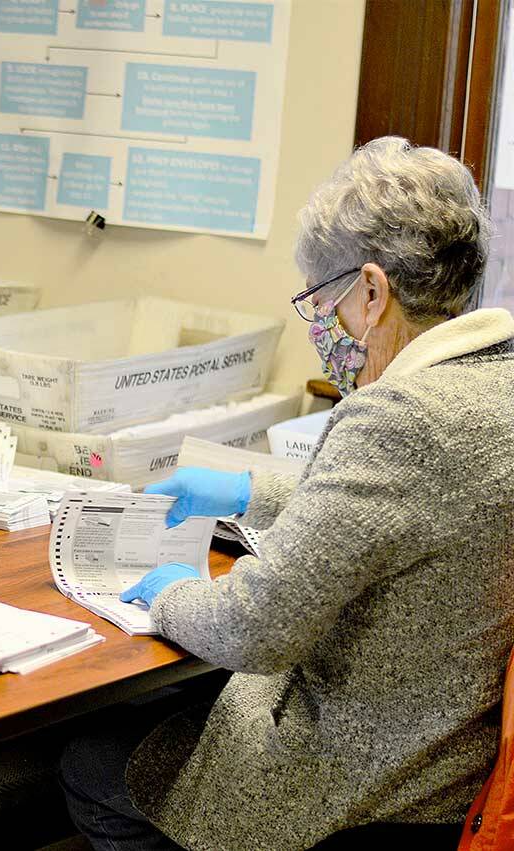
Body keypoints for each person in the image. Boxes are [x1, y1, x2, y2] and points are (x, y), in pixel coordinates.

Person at [60, 136, 514, 850]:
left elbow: (254, 630)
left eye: (323, 299)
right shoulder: (495, 386)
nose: (323, 325)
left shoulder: (399, 417)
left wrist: (172, 593)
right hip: (453, 764)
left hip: (362, 782)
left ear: (371, 290)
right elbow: (409, 509)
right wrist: (248, 488)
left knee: (94, 761)